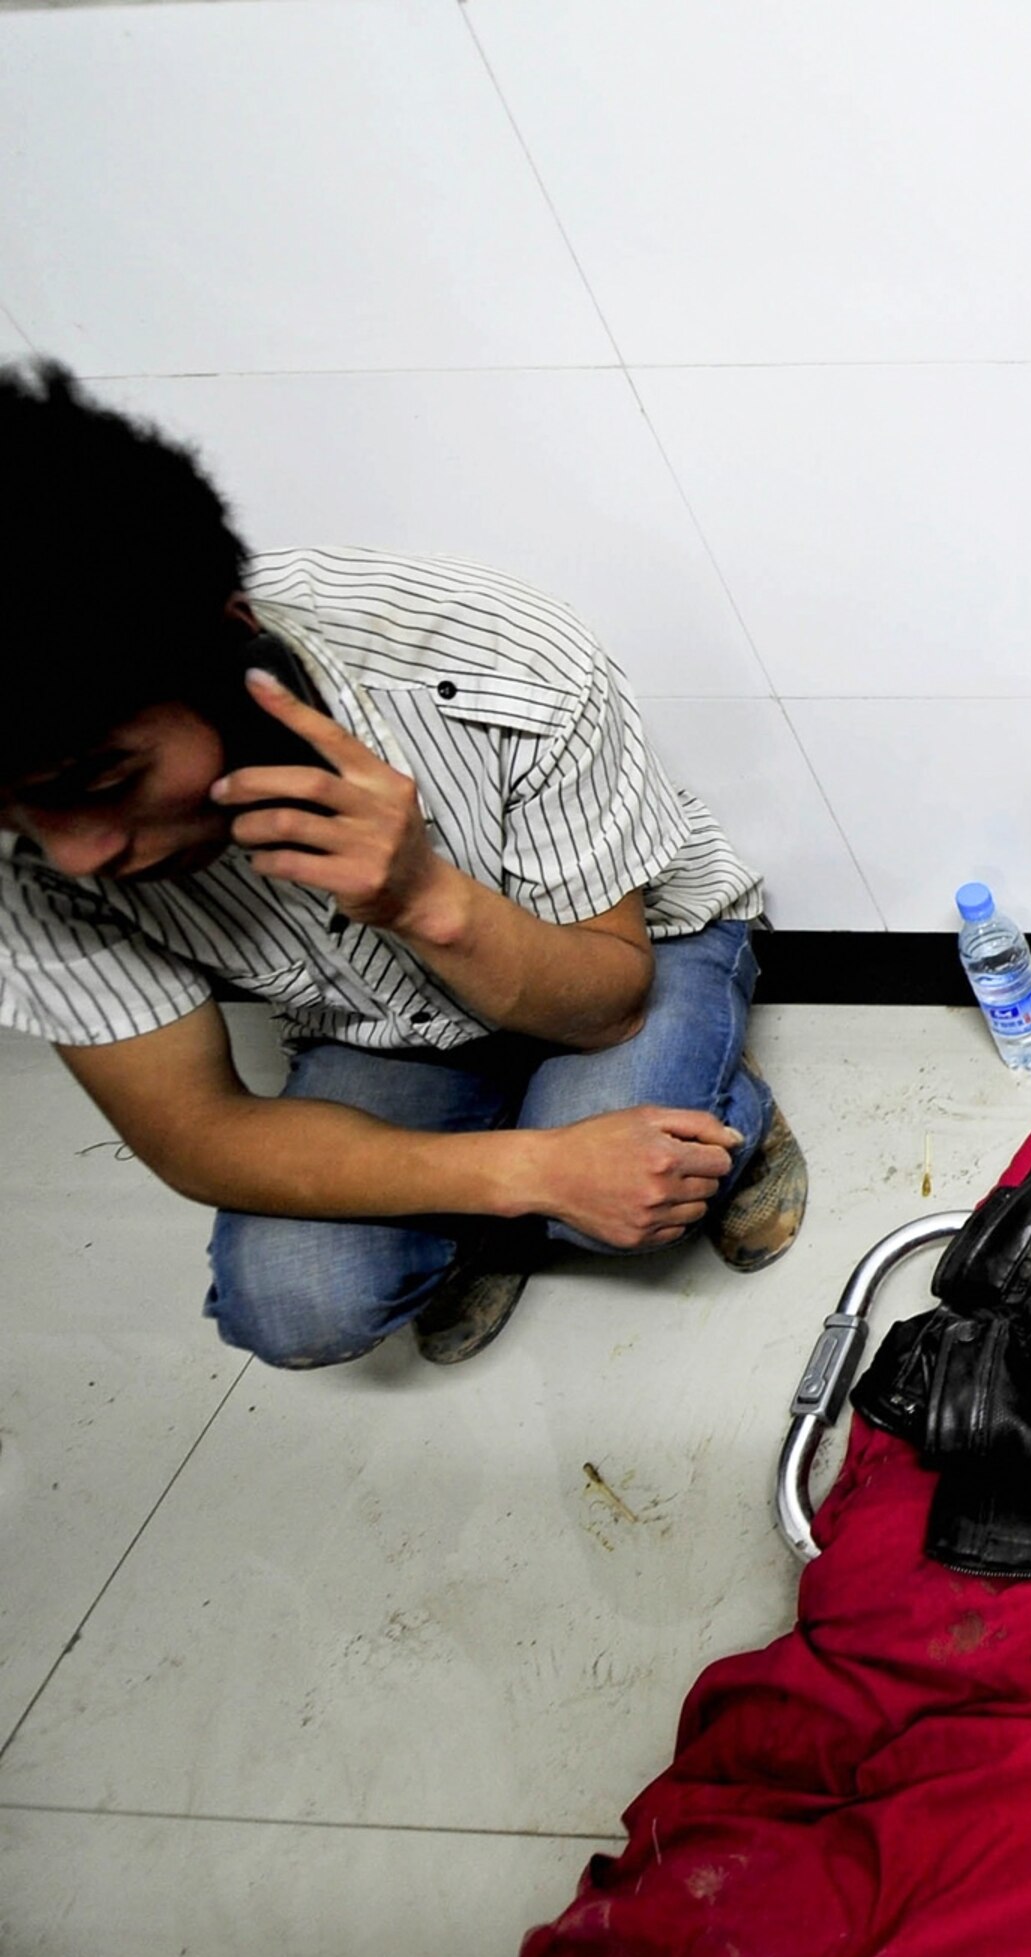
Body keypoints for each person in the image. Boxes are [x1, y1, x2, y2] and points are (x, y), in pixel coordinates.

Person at [0, 361, 808, 1368]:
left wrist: (424, 897)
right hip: (384, 1027)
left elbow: (608, 1004)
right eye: (13, 813)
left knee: (624, 1200)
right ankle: (515, 1182)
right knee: (297, 1305)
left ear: (233, 652)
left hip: (618, 961)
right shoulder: (32, 848)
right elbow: (195, 1133)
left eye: (105, 778)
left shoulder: (488, 660)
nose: (74, 855)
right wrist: (525, 1172)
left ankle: (729, 1108)